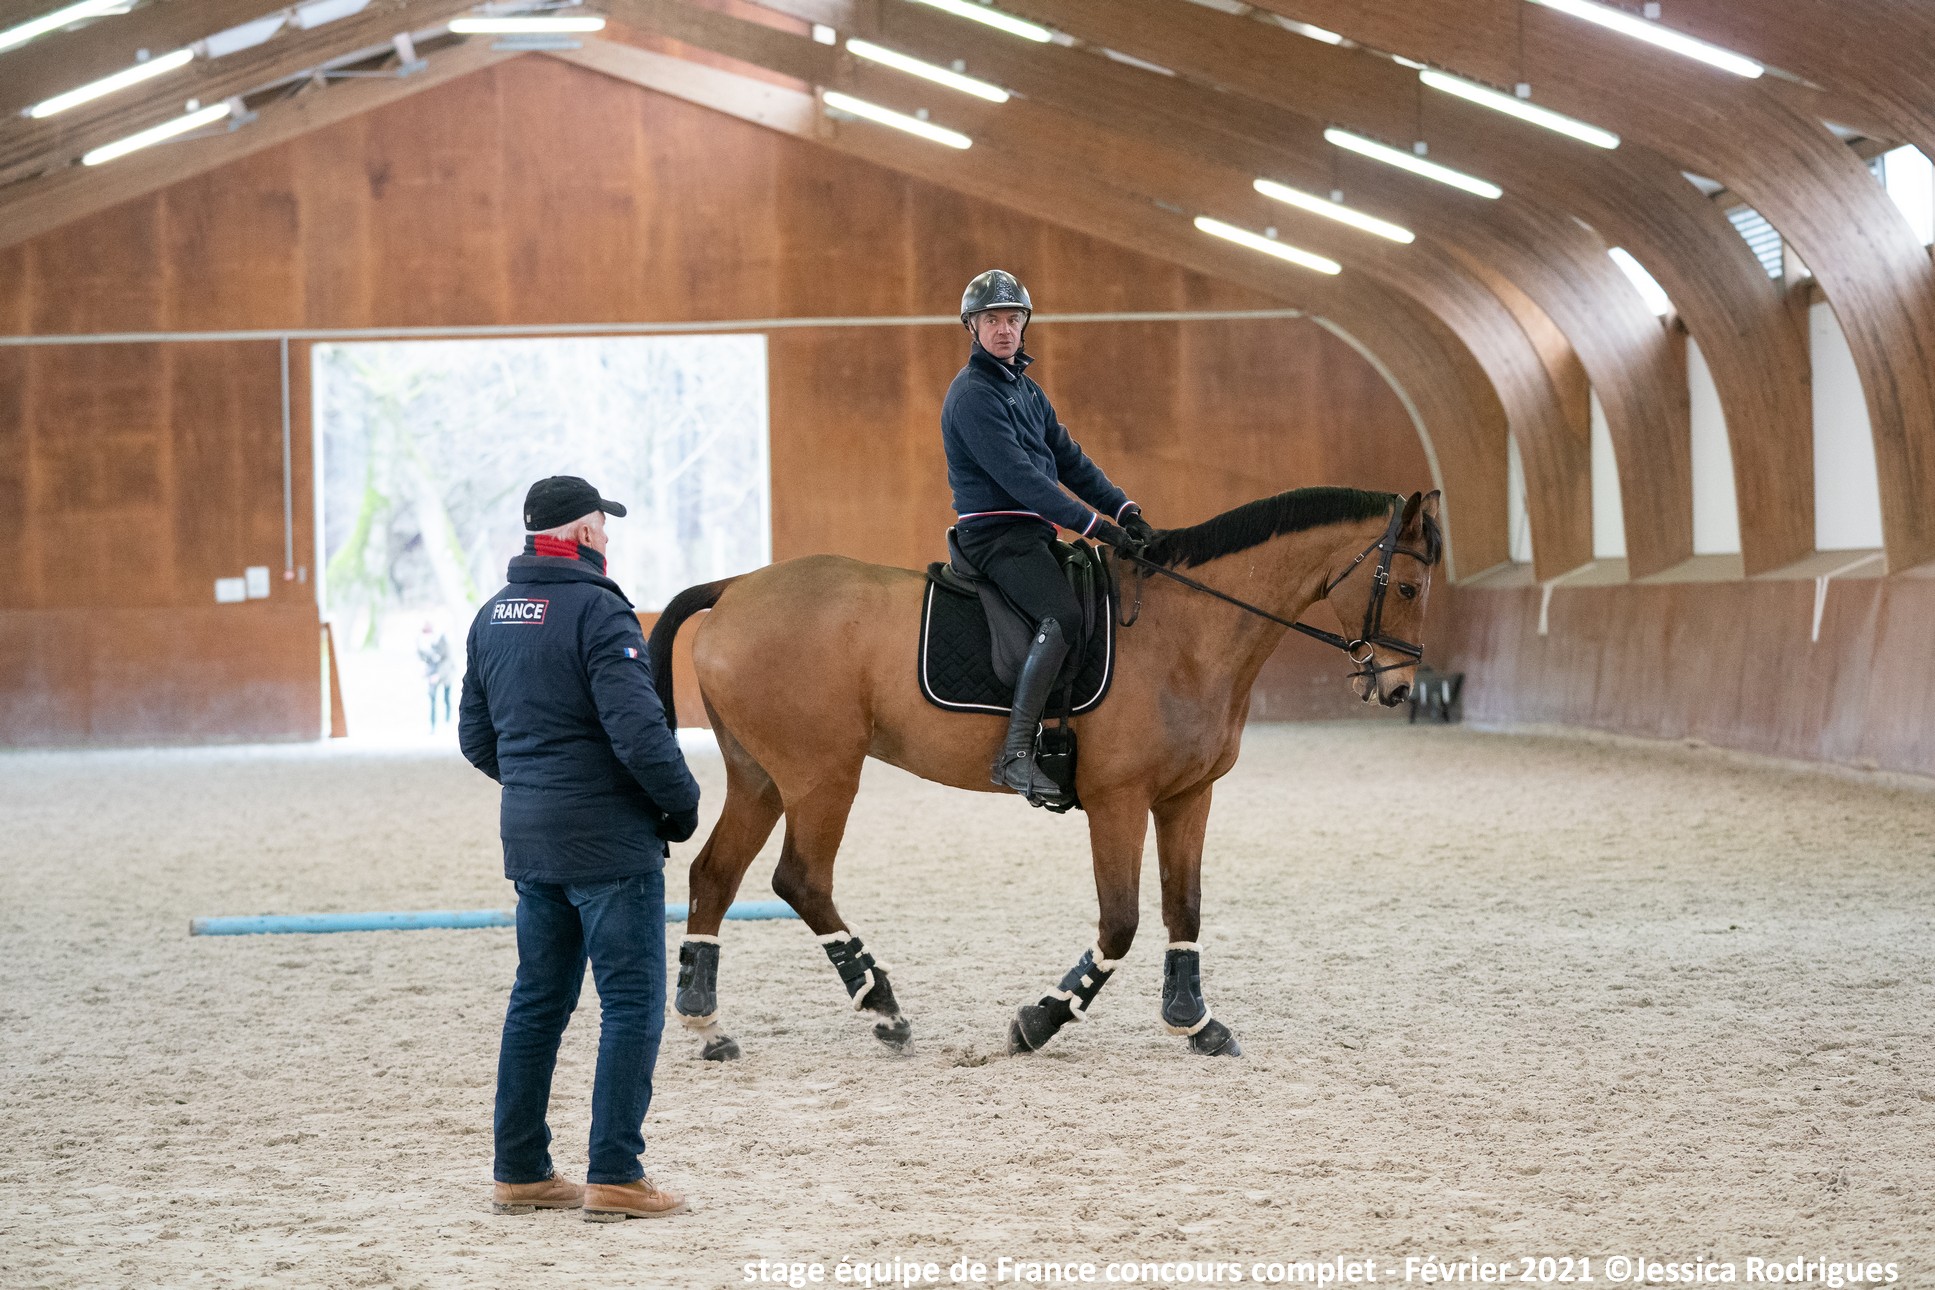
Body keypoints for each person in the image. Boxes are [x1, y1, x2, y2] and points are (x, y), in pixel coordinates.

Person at [458, 475, 701, 1222]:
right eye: (604, 524)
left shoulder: (491, 615)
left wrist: (536, 786)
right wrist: (680, 804)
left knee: (537, 1004)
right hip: (607, 844)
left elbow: (475, 739)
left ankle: (521, 1171)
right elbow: (639, 733)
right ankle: (616, 1176)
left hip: (531, 842)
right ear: (584, 533)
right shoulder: (600, 612)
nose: (610, 535)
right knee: (630, 1006)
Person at [942, 269, 1158, 801]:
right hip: (995, 535)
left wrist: (1124, 509)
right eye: (992, 319)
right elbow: (1023, 478)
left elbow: (1068, 460)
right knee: (1061, 614)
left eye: (1013, 318)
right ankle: (1015, 752)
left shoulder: (1026, 390)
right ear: (972, 326)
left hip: (1030, 533)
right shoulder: (972, 394)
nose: (1004, 329)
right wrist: (1096, 528)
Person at [417, 621, 456, 730]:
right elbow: (424, 657)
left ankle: (447, 722)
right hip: (433, 673)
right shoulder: (423, 642)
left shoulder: (443, 641)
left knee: (446, 698)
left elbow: (448, 661)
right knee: (432, 699)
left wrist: (438, 675)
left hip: (446, 674)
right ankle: (433, 725)